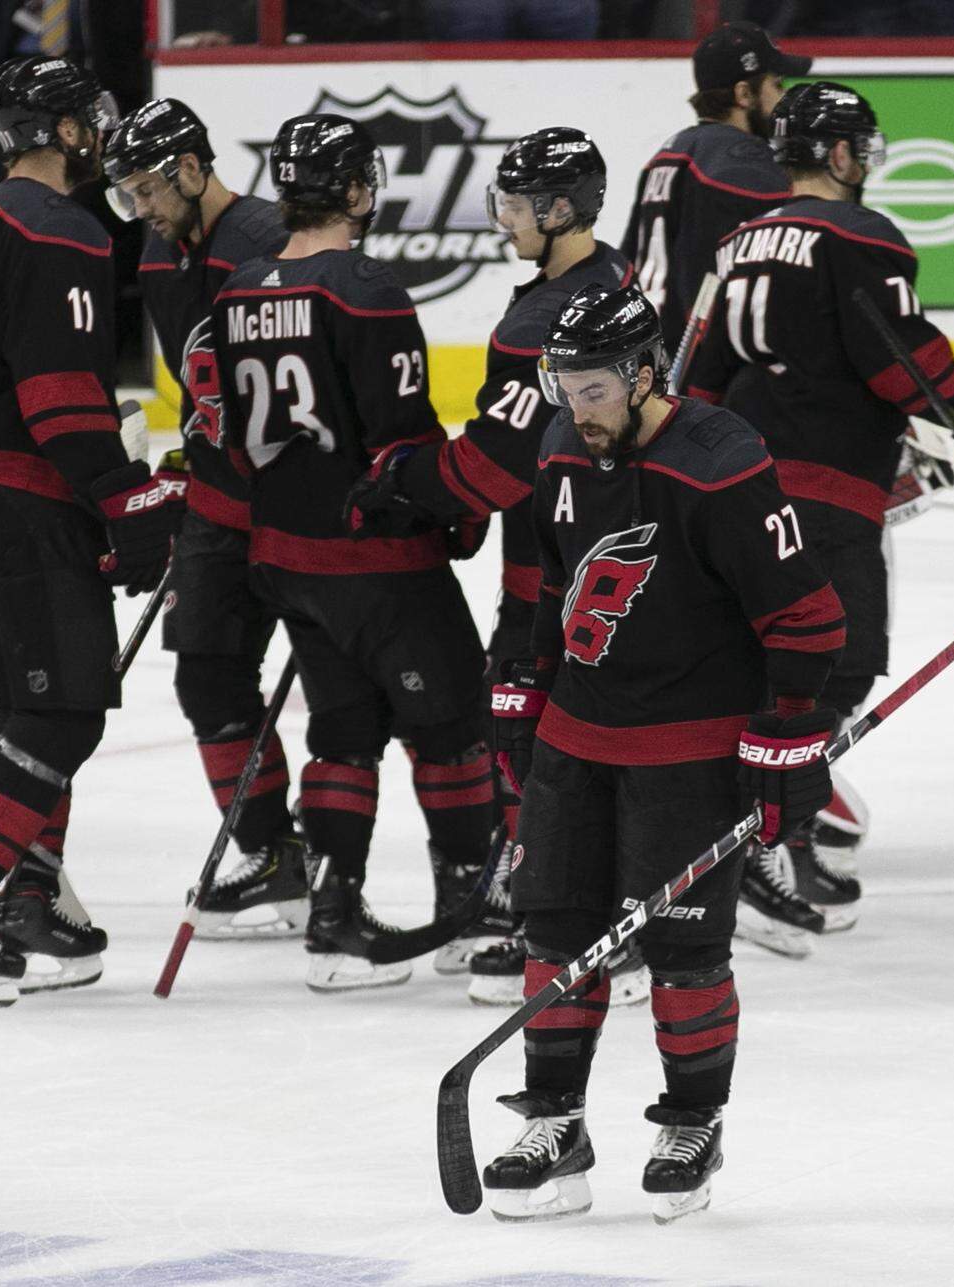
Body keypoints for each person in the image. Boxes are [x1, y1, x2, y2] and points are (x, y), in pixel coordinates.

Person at [480, 281, 844, 1223]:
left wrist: (788, 733)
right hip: (577, 736)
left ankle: (692, 1120)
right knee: (555, 931)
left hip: (686, 748)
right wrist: (523, 687)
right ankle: (555, 1120)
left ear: (646, 373)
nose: (575, 406)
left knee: (684, 950)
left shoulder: (720, 462)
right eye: (563, 385)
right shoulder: (561, 445)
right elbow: (549, 584)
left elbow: (805, 615)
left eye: (594, 386)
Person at [688, 81, 954, 945]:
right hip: (825, 487)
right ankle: (759, 840)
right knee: (834, 662)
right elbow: (904, 364)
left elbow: (700, 370)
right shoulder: (859, 234)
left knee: (761, 659)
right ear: (839, 155)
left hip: (737, 484)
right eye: (860, 150)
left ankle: (777, 833)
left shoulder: (740, 238)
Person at [0, 56, 172, 1006]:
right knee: (59, 714)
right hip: (22, 499)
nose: (100, 131)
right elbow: (57, 395)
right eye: (86, 118)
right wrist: (123, 495)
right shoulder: (59, 227)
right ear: (53, 130)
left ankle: (29, 898)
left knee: (39, 703)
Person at [343, 127, 637, 998]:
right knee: (556, 735)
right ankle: (551, 903)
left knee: (543, 735)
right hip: (605, 555)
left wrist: (405, 481)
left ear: (555, 209)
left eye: (513, 205)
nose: (502, 220)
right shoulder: (608, 278)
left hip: (557, 576)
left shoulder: (545, 322)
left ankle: (593, 925)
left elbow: (495, 466)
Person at [210, 113, 493, 992]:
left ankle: (334, 916)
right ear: (358, 190)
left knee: (343, 730)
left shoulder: (238, 289)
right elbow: (400, 441)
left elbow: (227, 434)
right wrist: (459, 514)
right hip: (377, 559)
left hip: (288, 557)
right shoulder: (366, 287)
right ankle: (469, 907)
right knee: (451, 726)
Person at [104, 98, 308, 941]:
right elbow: (196, 390)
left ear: (193, 168)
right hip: (221, 508)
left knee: (354, 697)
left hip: (302, 507)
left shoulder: (268, 240)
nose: (141, 210)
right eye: (127, 195)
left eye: (148, 188)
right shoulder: (159, 256)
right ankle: (272, 856)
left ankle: (450, 860)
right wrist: (186, 466)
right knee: (207, 678)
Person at [620, 21, 810, 358]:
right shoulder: (745, 165)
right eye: (777, 85)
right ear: (743, 94)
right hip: (700, 367)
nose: (785, 98)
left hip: (649, 356)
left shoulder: (669, 153)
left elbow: (627, 263)